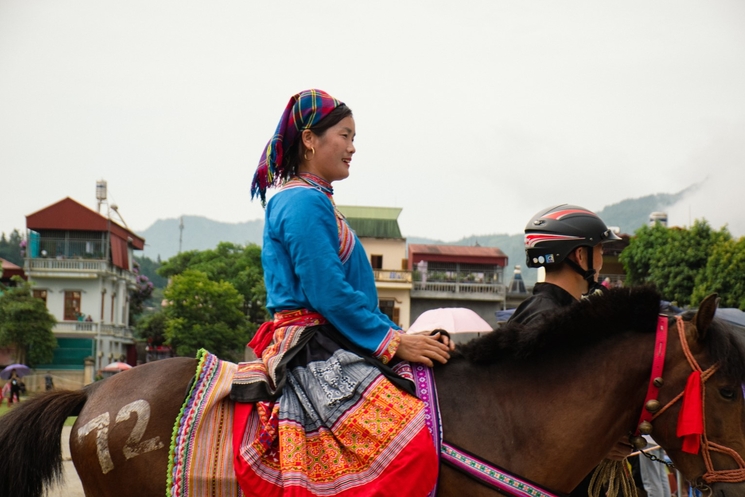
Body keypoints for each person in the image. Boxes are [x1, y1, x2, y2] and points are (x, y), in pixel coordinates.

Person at [230, 89, 452, 497]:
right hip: (313, 347)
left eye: (354, 139)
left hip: (333, 336)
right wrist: (394, 341)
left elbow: (349, 298)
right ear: (311, 139)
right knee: (410, 449)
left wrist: (399, 335)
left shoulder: (313, 199)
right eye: (345, 136)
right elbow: (329, 293)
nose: (353, 148)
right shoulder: (302, 201)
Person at [509, 204, 629, 496]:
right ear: (580, 255)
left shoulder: (542, 312)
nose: (602, 259)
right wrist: (601, 440)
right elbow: (535, 413)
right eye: (600, 249)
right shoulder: (550, 321)